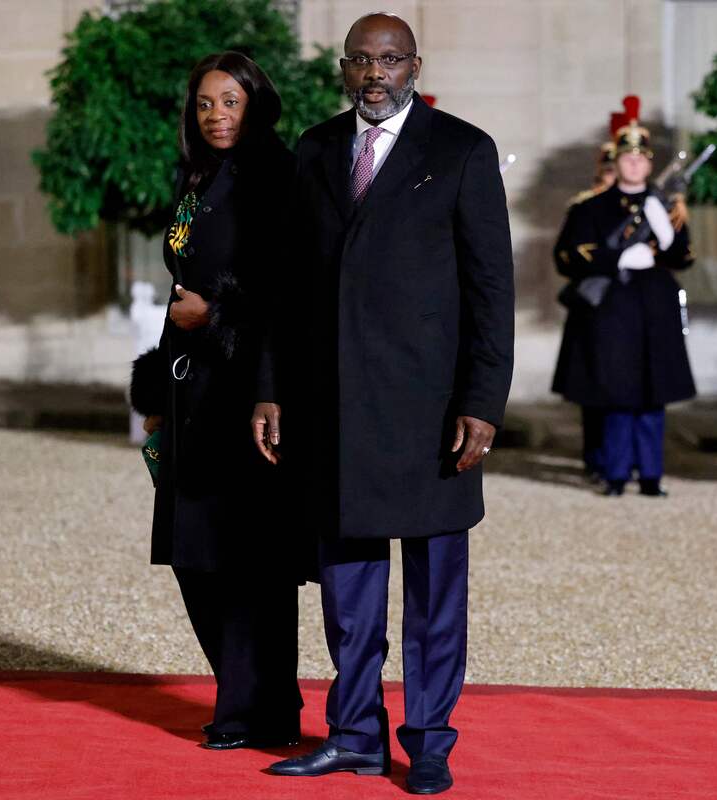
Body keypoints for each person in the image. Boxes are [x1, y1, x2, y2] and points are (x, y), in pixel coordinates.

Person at [252, 13, 514, 795]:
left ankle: (429, 741)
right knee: (350, 591)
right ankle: (355, 734)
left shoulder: (462, 149)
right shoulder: (315, 149)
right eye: (362, 61)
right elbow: (284, 283)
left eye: (391, 60)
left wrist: (483, 400)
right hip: (334, 406)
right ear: (343, 68)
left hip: (433, 410)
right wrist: (269, 387)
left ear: (414, 66)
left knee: (435, 592)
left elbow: (491, 289)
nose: (376, 74)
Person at [128, 51, 302, 750]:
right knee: (195, 554)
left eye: (230, 101)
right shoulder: (197, 178)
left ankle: (257, 713)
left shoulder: (276, 174)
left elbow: (287, 292)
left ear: (255, 102)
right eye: (205, 103)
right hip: (188, 388)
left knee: (249, 564)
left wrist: (218, 320)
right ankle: (250, 702)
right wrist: (157, 391)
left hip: (245, 394)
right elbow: (182, 288)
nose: (216, 115)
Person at [553, 95, 695, 497]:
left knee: (653, 395)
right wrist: (617, 257)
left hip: (654, 307)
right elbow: (569, 256)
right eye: (627, 159)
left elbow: (684, 254)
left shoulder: (665, 207)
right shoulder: (592, 207)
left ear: (650, 163)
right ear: (616, 162)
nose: (634, 165)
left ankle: (650, 475)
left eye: (641, 159)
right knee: (616, 395)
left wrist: (662, 230)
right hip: (612, 310)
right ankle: (615, 474)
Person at [553, 111, 627, 481]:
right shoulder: (585, 207)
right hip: (594, 307)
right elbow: (565, 256)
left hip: (630, 307)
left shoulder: (641, 207)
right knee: (593, 386)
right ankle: (597, 458)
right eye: (611, 171)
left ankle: (623, 460)